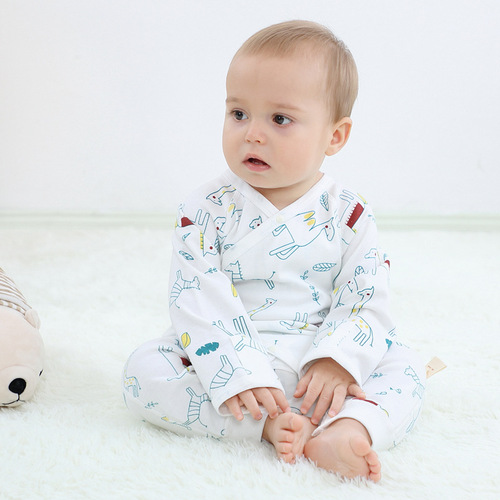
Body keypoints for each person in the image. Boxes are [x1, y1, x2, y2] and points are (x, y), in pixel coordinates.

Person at [122, 20, 425, 482]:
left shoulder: (349, 214)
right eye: (238, 114)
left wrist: (336, 360)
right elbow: (195, 296)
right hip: (229, 357)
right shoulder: (203, 210)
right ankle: (267, 425)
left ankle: (347, 427)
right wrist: (238, 370)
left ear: (335, 136)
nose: (253, 134)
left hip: (319, 365)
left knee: (407, 365)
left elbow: (366, 295)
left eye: (279, 119)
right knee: (143, 372)